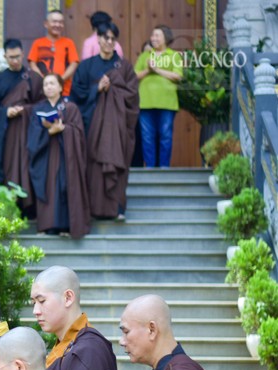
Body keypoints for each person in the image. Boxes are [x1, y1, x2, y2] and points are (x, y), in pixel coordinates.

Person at [71, 21, 139, 221]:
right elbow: (77, 94)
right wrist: (97, 89)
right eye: (106, 38)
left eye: (112, 39)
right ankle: (94, 209)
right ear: (98, 39)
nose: (109, 42)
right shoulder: (86, 66)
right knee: (93, 169)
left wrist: (113, 90)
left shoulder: (125, 67)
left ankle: (117, 209)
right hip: (92, 126)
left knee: (117, 166)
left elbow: (133, 96)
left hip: (117, 129)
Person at [0, 38, 43, 215]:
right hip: (8, 133)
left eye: (18, 56)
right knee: (10, 168)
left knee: (28, 166)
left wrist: (26, 110)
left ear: (23, 54)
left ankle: (31, 210)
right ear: (5, 57)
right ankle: (11, 209)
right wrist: (6, 112)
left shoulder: (33, 78)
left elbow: (42, 104)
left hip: (28, 133)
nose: (15, 61)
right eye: (11, 57)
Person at [27, 73, 89, 238]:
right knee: (47, 187)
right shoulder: (38, 109)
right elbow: (32, 136)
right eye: (45, 84)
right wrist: (48, 132)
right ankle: (46, 225)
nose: (48, 87)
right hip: (45, 155)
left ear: (61, 87)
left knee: (64, 185)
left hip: (65, 155)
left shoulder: (70, 107)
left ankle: (65, 226)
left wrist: (63, 129)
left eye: (52, 83)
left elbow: (79, 133)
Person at [135, 25, 182, 168]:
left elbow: (177, 76)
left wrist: (157, 69)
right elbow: (135, 76)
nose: (153, 38)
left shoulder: (174, 56)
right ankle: (149, 167)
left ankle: (164, 168)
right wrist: (148, 70)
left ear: (166, 38)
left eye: (157, 36)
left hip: (167, 103)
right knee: (147, 136)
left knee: (165, 136)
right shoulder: (145, 56)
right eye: (152, 35)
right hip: (146, 102)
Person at [28, 10, 80, 97]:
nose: (58, 25)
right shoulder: (37, 43)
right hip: (42, 90)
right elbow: (32, 63)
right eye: (54, 22)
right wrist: (45, 81)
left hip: (64, 91)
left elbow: (74, 63)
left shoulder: (69, 43)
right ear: (46, 24)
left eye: (60, 22)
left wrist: (60, 80)